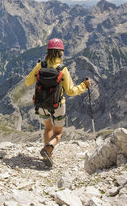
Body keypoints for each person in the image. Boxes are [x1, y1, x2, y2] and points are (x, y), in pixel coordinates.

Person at [25, 38, 91, 167]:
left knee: (48, 128)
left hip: (42, 104)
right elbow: (70, 91)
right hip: (58, 105)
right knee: (58, 133)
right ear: (61, 53)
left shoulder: (41, 65)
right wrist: (84, 85)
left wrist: (36, 69)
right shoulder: (62, 69)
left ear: (48, 51)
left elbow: (28, 82)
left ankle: (47, 156)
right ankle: (48, 149)